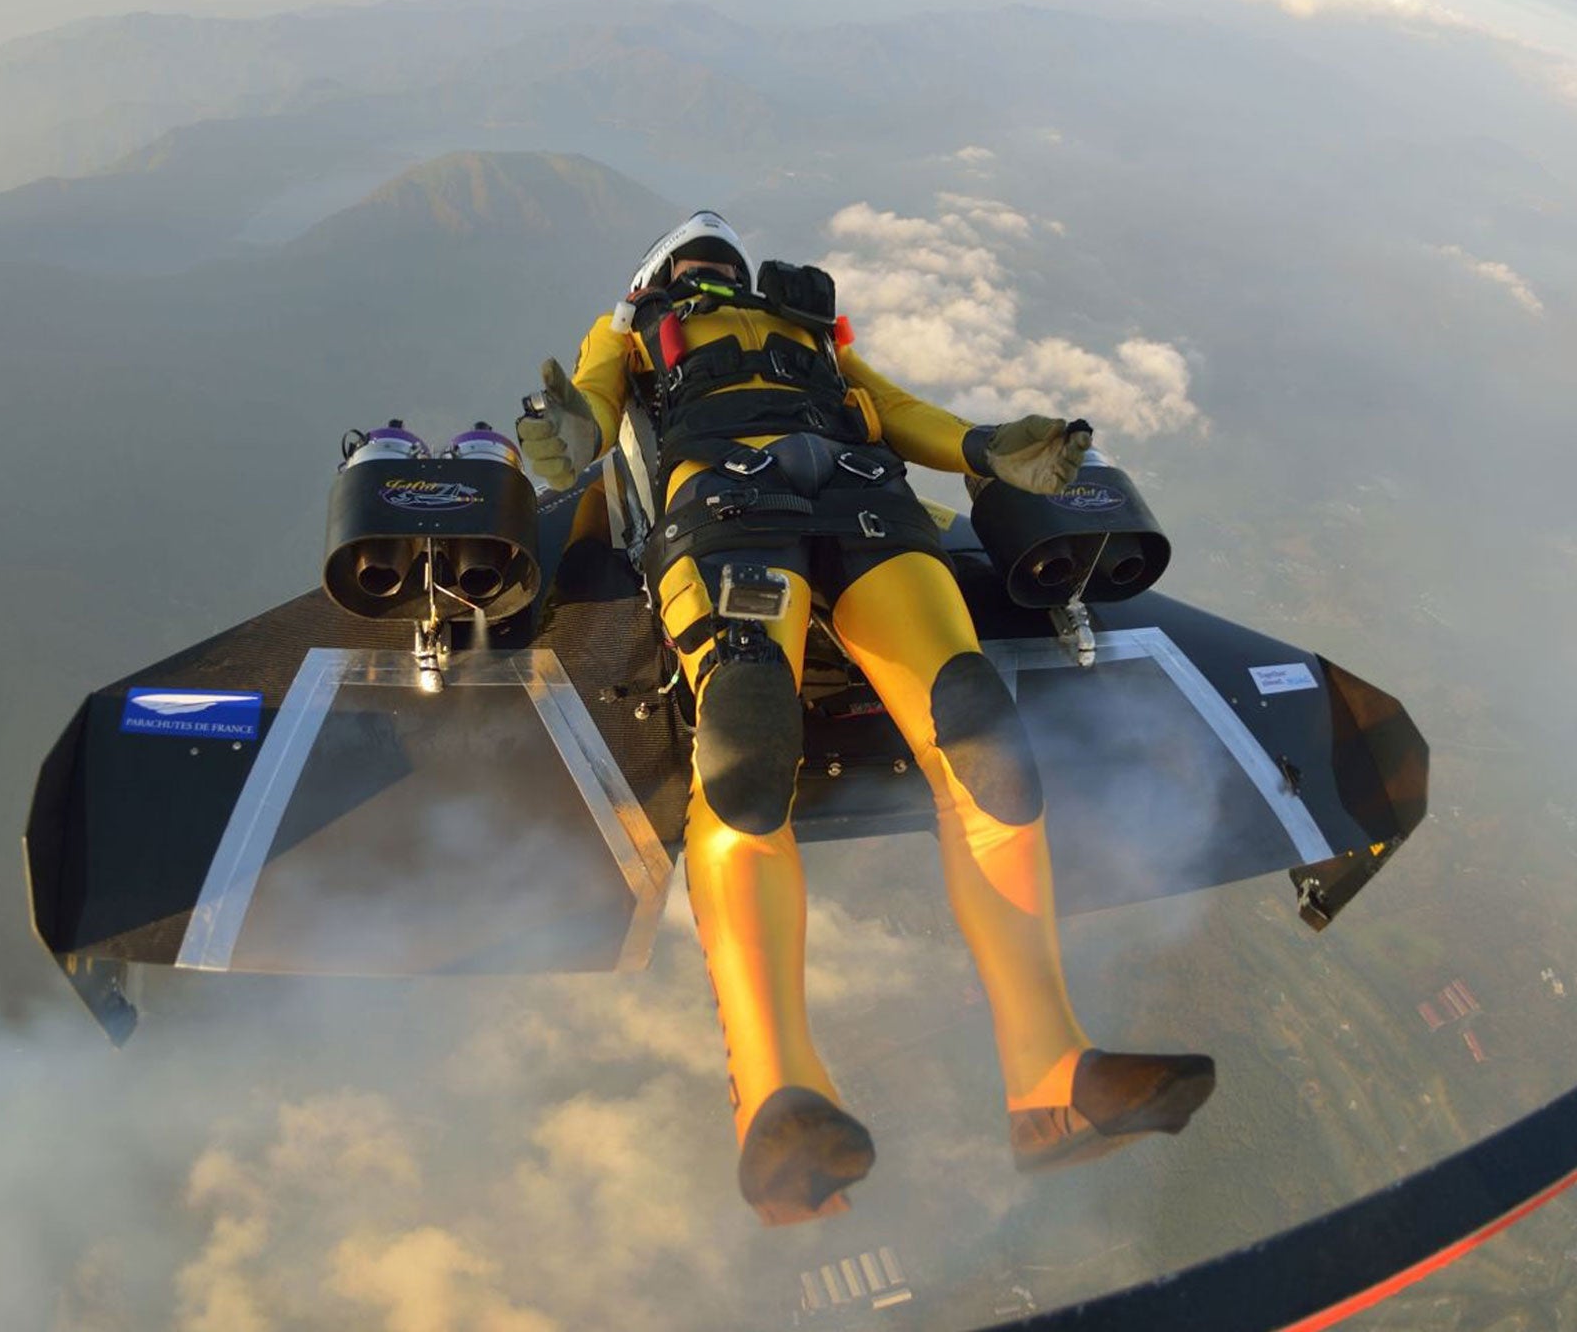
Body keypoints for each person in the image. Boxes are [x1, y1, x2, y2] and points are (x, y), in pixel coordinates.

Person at [517, 212, 1214, 1226]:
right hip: (722, 508)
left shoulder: (811, 333)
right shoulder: (628, 334)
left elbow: (888, 409)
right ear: (656, 282)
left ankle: (1050, 1077)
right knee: (745, 748)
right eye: (690, 258)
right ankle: (775, 1099)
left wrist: (983, 449)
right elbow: (589, 407)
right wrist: (570, 432)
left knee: (982, 742)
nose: (710, 256)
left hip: (867, 507)